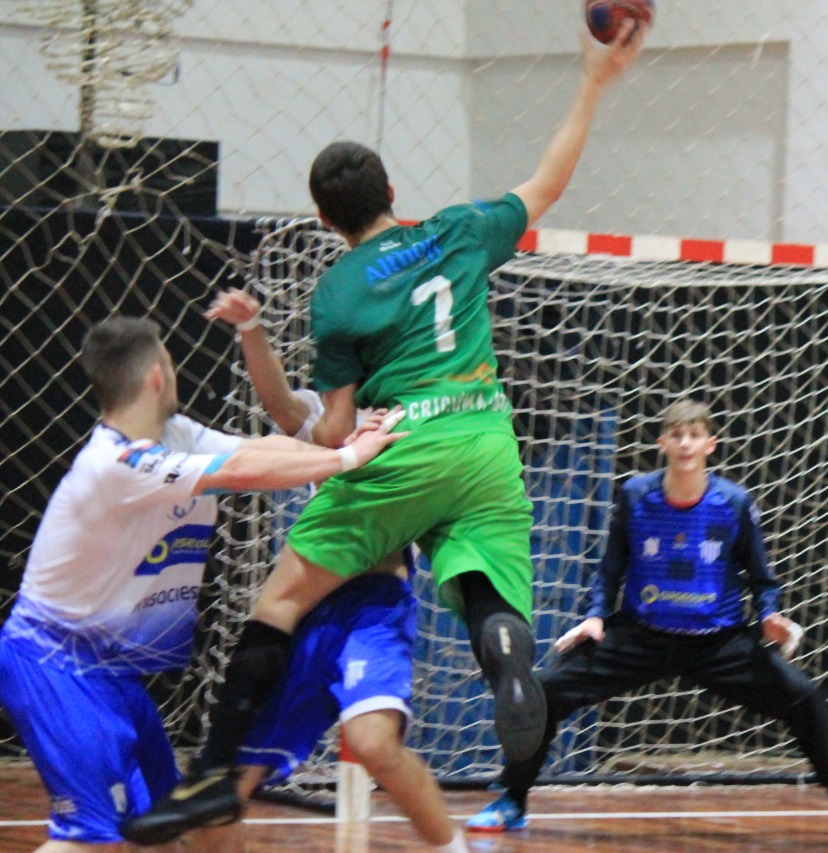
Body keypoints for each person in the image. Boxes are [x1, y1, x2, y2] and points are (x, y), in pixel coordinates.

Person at [125, 23, 646, 845]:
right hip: (484, 437)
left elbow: (332, 426)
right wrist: (592, 81)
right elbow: (549, 181)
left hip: (404, 445)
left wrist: (331, 438)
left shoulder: (339, 291)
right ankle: (511, 668)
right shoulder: (459, 228)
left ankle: (216, 773)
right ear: (392, 190)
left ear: (325, 218)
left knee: (277, 600)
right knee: (484, 584)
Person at [0, 316, 404, 853]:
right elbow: (241, 474)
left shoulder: (175, 436)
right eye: (170, 361)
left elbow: (260, 451)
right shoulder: (115, 463)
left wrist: (346, 448)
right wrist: (347, 459)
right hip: (55, 664)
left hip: (109, 669)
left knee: (193, 819)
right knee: (91, 840)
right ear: (157, 375)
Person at [464, 397, 828, 848]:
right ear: (662, 443)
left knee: (804, 696)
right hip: (641, 637)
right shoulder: (635, 495)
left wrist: (768, 616)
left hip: (717, 642)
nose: (685, 444)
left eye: (694, 436)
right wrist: (596, 616)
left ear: (710, 445)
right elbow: (610, 568)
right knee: (544, 692)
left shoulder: (734, 503)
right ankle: (513, 800)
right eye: (677, 435)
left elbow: (762, 579)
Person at [198, 289, 468, 853]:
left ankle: (453, 846)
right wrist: (251, 327)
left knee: (374, 744)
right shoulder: (325, 420)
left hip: (372, 604)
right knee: (223, 793)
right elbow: (278, 401)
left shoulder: (413, 415)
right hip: (306, 612)